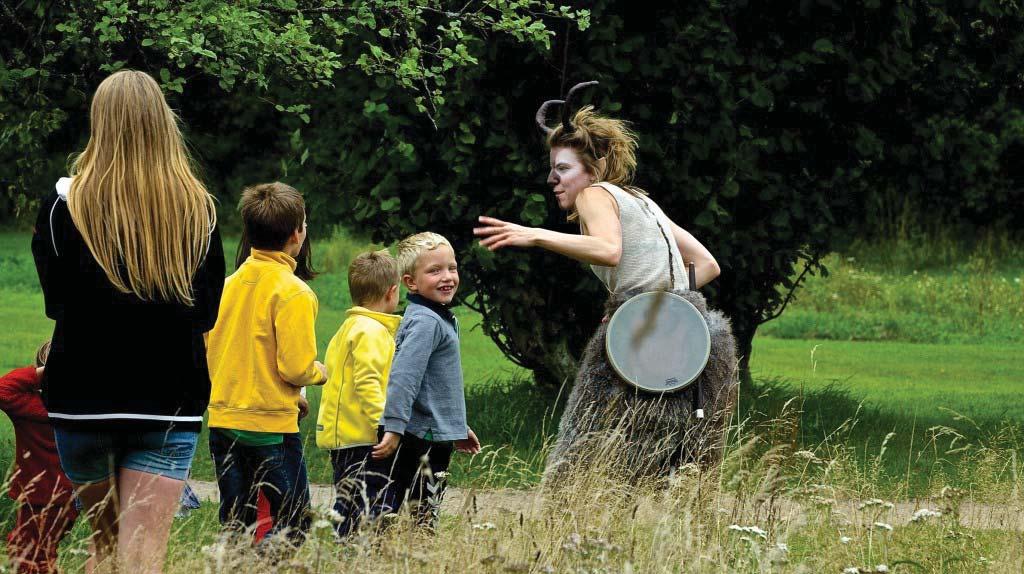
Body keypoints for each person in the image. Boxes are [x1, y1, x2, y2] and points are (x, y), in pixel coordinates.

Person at [473, 86, 727, 482]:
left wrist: (535, 235)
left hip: (643, 330)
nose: (552, 179)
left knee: (583, 447)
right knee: (671, 458)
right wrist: (668, 301)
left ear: (593, 169)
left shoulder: (593, 195)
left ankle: (571, 523)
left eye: (563, 169)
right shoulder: (642, 201)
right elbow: (706, 264)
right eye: (552, 169)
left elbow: (609, 250)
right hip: (691, 331)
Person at [31, 70, 225, 574]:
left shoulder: (60, 209)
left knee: (106, 548)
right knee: (143, 557)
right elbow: (205, 312)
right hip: (169, 398)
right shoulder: (197, 212)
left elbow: (57, 303)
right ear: (164, 123)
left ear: (99, 122)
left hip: (82, 397)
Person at [205, 182, 326, 547]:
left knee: (235, 523)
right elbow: (295, 368)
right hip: (269, 427)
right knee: (296, 520)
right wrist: (319, 372)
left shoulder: (226, 285)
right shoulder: (294, 292)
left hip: (224, 421)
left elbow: (217, 351)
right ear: (297, 234)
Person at [374, 232, 481, 529]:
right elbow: (404, 378)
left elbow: (436, 387)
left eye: (452, 268)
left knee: (418, 508)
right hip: (417, 438)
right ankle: (388, 554)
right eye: (434, 271)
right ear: (410, 282)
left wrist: (456, 426)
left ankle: (410, 553)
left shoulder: (435, 316)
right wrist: (394, 428)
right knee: (410, 511)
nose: (447, 277)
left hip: (433, 434)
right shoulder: (426, 322)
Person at [316, 250, 402, 536]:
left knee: (348, 503)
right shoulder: (372, 331)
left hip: (344, 437)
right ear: (392, 292)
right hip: (364, 439)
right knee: (372, 505)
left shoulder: (348, 328)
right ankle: (365, 557)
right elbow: (368, 382)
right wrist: (386, 425)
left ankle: (346, 552)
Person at [0, 341, 78, 574]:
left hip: (39, 495)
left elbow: (3, 388)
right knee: (41, 551)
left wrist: (45, 371)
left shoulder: (27, 406)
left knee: (27, 555)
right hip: (72, 495)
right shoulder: (82, 410)